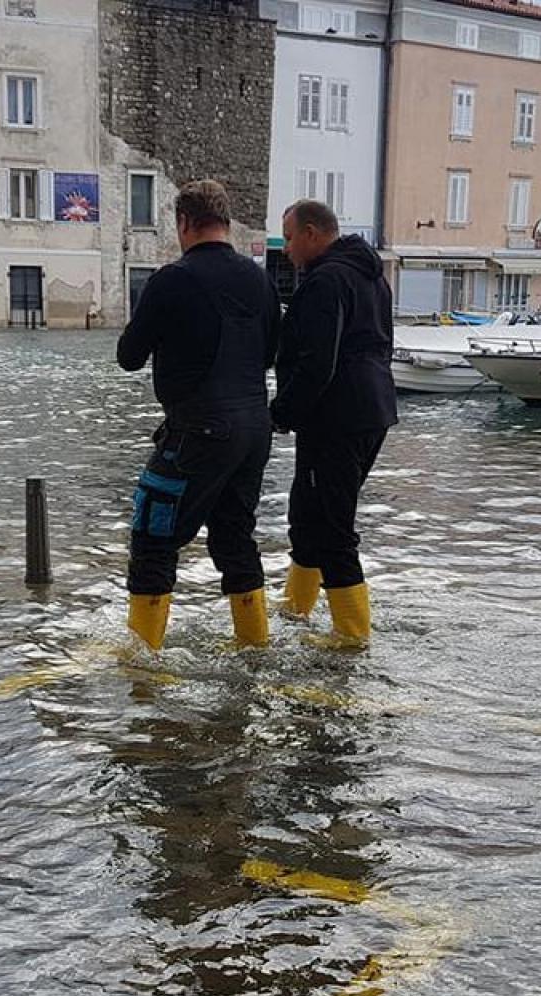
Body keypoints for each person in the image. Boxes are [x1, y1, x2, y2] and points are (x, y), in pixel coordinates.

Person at [116, 180, 280, 650]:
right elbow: (270, 354)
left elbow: (129, 355)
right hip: (254, 429)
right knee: (234, 538)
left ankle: (140, 664)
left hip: (197, 431)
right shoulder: (261, 280)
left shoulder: (172, 279)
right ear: (225, 223)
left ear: (183, 223)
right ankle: (254, 648)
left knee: (152, 538)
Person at [271, 199, 396, 646]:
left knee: (330, 522)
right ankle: (297, 607)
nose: (286, 250)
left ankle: (351, 632)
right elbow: (383, 347)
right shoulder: (372, 278)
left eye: (288, 238)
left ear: (311, 233)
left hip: (336, 416)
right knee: (307, 512)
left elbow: (317, 361)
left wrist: (280, 413)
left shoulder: (326, 280)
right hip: (371, 410)